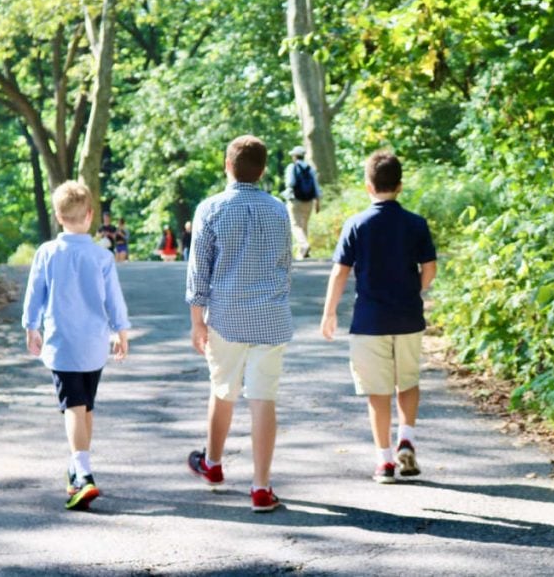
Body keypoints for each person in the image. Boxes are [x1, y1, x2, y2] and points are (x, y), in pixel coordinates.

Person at [185, 134, 293, 513]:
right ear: (262, 171)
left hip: (226, 317)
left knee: (223, 389)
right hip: (271, 317)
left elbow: (199, 272)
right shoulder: (280, 209)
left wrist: (197, 321)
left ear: (227, 166)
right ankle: (261, 487)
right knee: (264, 398)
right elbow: (285, 264)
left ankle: (213, 465)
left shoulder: (210, 209)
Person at [319, 150, 437, 484]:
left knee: (378, 392)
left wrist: (329, 312)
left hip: (370, 321)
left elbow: (340, 272)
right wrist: (415, 290)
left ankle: (385, 462)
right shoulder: (416, 223)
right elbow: (430, 269)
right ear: (399, 186)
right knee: (409, 381)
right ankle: (408, 438)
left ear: (368, 186)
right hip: (409, 318)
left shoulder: (356, 224)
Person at [22, 181, 131, 510]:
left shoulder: (47, 252)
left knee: (72, 406)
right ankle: (76, 467)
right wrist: (121, 331)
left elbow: (34, 293)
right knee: (86, 406)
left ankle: (83, 474)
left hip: (63, 344)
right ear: (90, 215)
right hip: (94, 345)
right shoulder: (102, 255)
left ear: (57, 216)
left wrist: (31, 327)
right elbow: (114, 299)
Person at [283, 145, 321, 259]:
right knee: (304, 225)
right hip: (309, 201)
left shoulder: (292, 167)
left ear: (295, 156)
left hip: (296, 200)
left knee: (295, 225)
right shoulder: (310, 169)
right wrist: (318, 202)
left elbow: (290, 183)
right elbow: (316, 186)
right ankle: (303, 253)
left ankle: (304, 245)